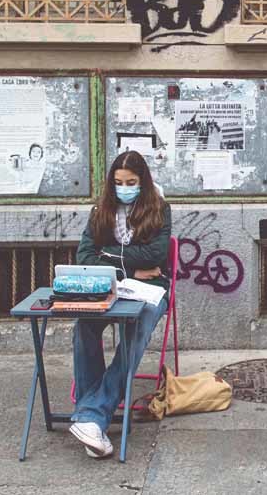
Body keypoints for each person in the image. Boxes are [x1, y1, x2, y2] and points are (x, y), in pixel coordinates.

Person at [69, 151, 171, 458]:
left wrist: (108, 255)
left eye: (131, 182)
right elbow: (85, 256)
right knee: (84, 326)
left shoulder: (159, 208)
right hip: (109, 286)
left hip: (150, 289)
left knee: (136, 329)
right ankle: (92, 419)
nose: (124, 188)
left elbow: (156, 255)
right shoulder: (101, 209)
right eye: (118, 182)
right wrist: (130, 270)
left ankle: (91, 416)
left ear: (143, 181)